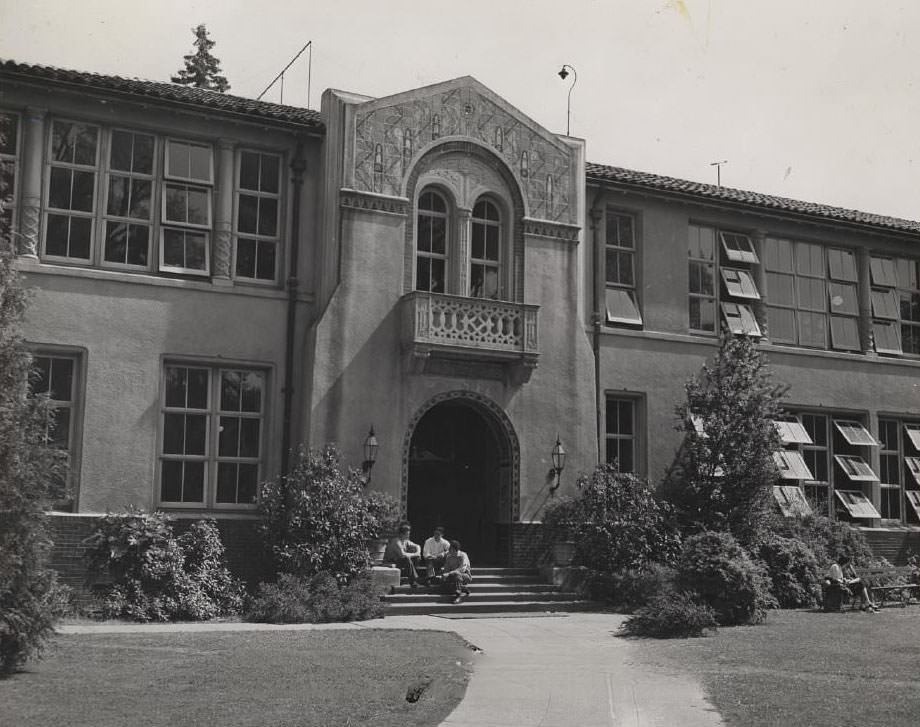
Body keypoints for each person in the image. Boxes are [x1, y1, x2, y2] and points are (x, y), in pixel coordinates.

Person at [384, 522, 421, 589]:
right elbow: (402, 555)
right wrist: (415, 554)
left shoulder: (405, 541)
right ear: (401, 534)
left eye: (408, 534)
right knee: (407, 558)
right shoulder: (396, 541)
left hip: (399, 561)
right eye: (407, 534)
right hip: (391, 561)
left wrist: (418, 552)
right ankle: (414, 580)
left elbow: (417, 546)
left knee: (416, 557)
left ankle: (414, 578)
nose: (408, 536)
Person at [442, 539, 472, 604]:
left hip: (464, 576)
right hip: (452, 576)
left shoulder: (463, 555)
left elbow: (462, 569)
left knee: (457, 575)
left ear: (455, 549)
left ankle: (458, 596)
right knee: (443, 582)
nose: (449, 550)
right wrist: (444, 575)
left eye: (450, 549)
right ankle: (463, 588)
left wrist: (449, 573)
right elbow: (446, 569)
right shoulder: (449, 557)